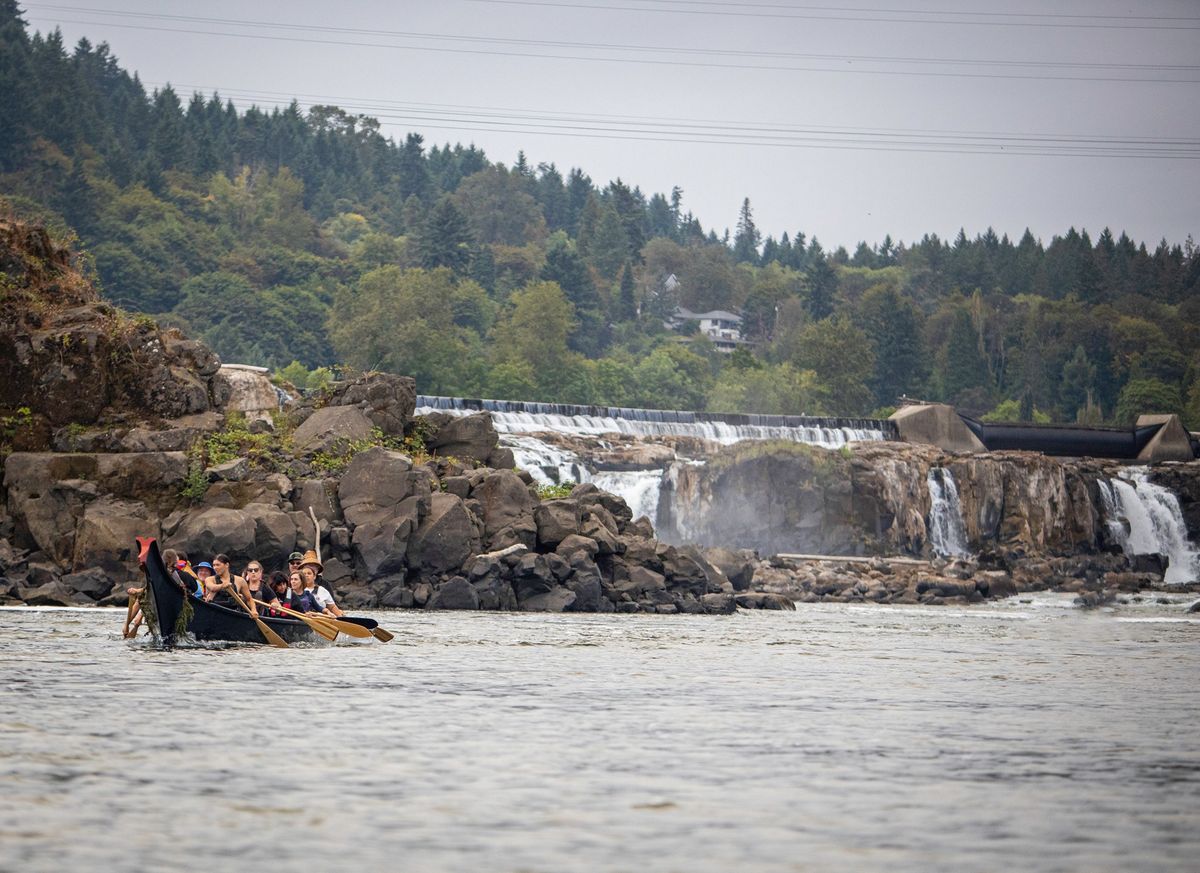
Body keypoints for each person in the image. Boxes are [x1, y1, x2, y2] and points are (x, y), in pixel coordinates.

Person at [298, 550, 344, 617]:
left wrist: (340, 617)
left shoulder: (324, 587)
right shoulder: (295, 587)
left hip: (321, 618)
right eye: (305, 573)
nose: (307, 575)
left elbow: (332, 606)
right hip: (301, 617)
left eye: (309, 573)